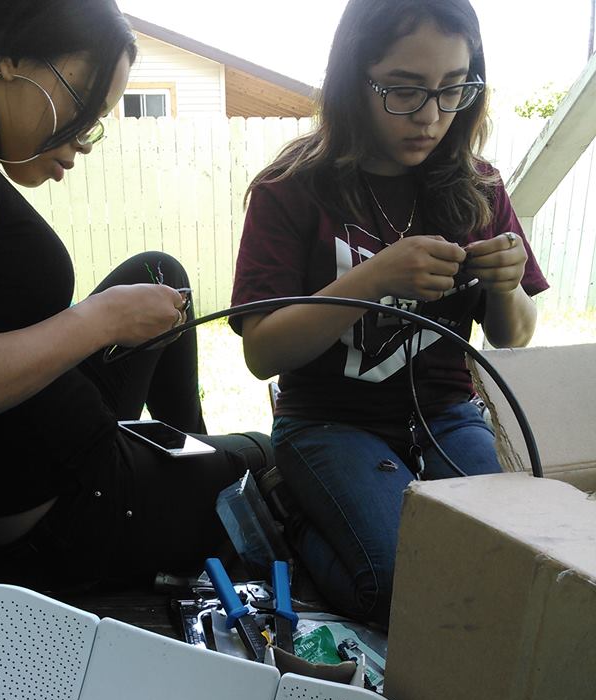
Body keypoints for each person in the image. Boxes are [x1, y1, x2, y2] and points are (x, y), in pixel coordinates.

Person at [0, 0, 273, 588]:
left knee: (157, 271)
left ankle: (189, 449)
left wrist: (105, 317)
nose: (84, 141)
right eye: (83, 105)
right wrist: (99, 320)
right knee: (266, 458)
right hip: (66, 515)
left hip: (40, 460)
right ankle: (194, 473)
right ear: (11, 61)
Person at [230, 0, 548, 629]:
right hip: (327, 423)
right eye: (404, 91)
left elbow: (512, 338)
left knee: (508, 566)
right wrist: (372, 278)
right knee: (404, 585)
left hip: (448, 415)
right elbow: (261, 352)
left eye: (453, 90)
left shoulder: (476, 186)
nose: (430, 117)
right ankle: (290, 512)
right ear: (354, 77)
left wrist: (506, 287)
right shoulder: (291, 188)